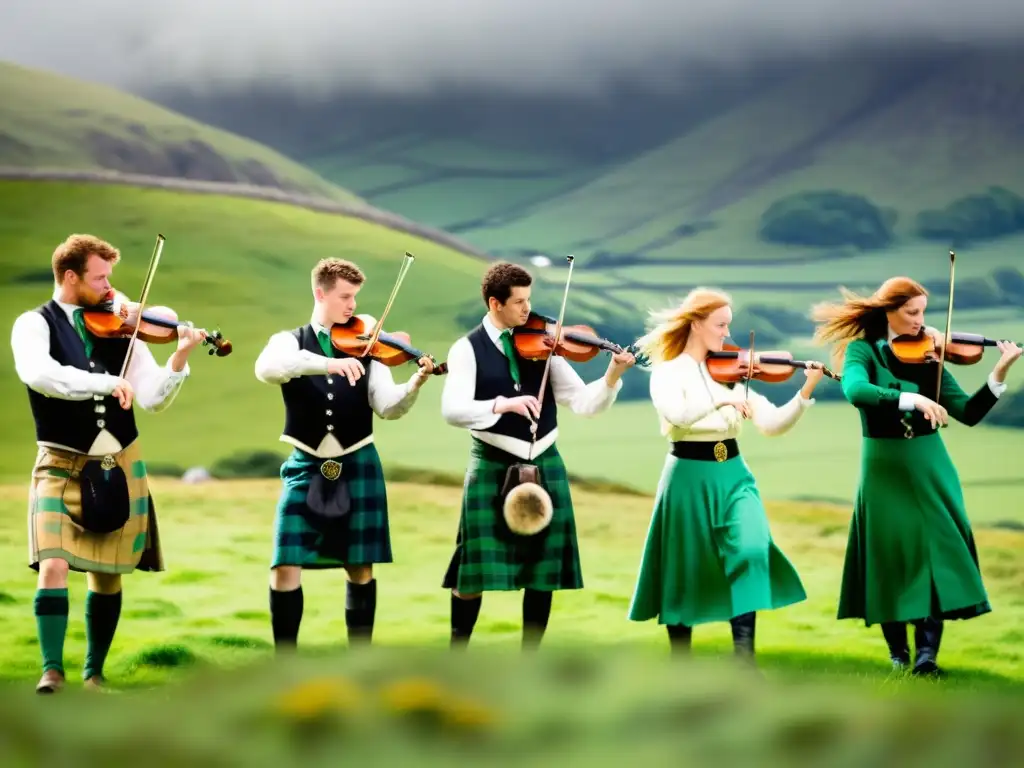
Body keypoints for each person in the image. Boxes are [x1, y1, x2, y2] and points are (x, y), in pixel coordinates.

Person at [11, 233, 206, 694]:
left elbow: (154, 396)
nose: (109, 288)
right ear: (70, 276)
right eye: (99, 278)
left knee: (109, 572)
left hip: (119, 459)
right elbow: (39, 375)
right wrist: (99, 385)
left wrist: (178, 357)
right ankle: (51, 671)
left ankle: (94, 675)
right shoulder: (33, 324)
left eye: (109, 278)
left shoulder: (124, 329)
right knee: (54, 563)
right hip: (60, 458)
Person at [811, 276, 1021, 676]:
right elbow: (856, 392)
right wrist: (910, 397)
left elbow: (969, 413)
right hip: (883, 466)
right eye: (912, 312)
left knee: (934, 553)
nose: (921, 322)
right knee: (890, 554)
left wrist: (998, 374)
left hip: (930, 465)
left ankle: (926, 657)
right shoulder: (862, 351)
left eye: (923, 313)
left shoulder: (929, 358)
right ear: (888, 310)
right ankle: (898, 655)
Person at [439, 261, 636, 648]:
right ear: (495, 304)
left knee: (543, 570)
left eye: (529, 300)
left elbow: (583, 403)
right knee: (472, 571)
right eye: (519, 303)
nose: (529, 311)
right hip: (493, 462)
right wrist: (501, 404)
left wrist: (612, 375)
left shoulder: (544, 345)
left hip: (545, 461)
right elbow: (452, 410)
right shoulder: (466, 350)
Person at [627, 288, 823, 662]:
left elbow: (771, 425)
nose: (727, 335)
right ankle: (680, 662)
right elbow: (679, 414)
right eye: (720, 325)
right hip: (687, 474)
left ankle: (743, 660)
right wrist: (721, 398)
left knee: (750, 549)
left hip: (733, 473)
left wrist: (804, 392)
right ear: (696, 323)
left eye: (729, 326)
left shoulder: (734, 370)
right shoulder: (667, 372)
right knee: (683, 566)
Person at [254, 257, 435, 651]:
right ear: (320, 293)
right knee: (284, 565)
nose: (352, 306)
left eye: (355, 298)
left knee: (359, 566)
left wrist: (415, 383)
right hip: (305, 464)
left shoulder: (369, 345)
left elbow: (387, 407)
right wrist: (328, 363)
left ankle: (359, 661)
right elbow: (268, 369)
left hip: (358, 462)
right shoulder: (288, 341)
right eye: (345, 297)